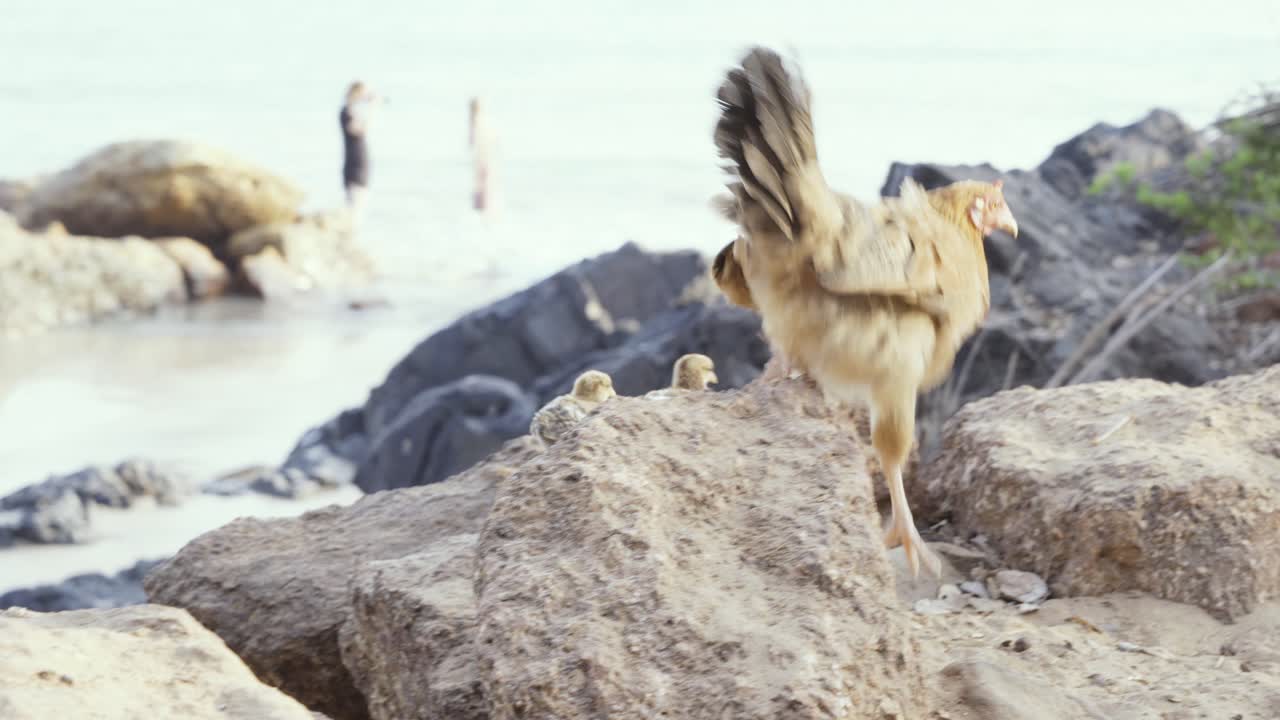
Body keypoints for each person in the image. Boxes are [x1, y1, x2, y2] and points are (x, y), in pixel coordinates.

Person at [340, 81, 381, 219]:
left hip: (360, 170)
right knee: (354, 212)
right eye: (363, 94)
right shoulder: (346, 113)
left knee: (358, 209)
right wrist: (373, 107)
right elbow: (360, 129)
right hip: (354, 170)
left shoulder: (353, 113)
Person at [468, 97, 496, 213]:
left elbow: (478, 141)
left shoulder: (479, 122)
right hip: (483, 155)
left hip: (484, 154)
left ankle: (483, 204)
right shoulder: (476, 122)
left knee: (482, 177)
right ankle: (482, 204)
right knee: (481, 178)